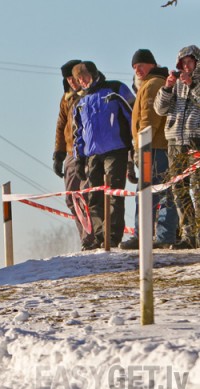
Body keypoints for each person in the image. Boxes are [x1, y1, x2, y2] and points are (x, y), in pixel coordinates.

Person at [72, 61, 135, 249]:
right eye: (79, 79)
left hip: (116, 149)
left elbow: (134, 116)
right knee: (94, 197)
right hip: (92, 155)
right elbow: (78, 133)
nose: (82, 81)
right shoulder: (79, 103)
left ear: (93, 73)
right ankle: (100, 237)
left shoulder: (115, 89)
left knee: (114, 192)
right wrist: (78, 159)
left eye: (85, 76)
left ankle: (112, 236)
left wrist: (135, 145)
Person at [119, 49, 178, 250]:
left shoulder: (153, 85)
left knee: (147, 192)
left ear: (151, 64)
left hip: (152, 148)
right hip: (155, 147)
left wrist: (141, 148)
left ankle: (145, 235)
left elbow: (148, 120)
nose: (137, 70)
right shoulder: (148, 84)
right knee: (161, 191)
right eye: (134, 67)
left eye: (140, 65)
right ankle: (163, 236)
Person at [154, 45, 200, 249]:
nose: (186, 66)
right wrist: (167, 88)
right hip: (174, 141)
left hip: (196, 140)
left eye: (190, 62)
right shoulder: (176, 83)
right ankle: (189, 235)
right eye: (183, 63)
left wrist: (193, 85)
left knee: (197, 189)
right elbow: (160, 109)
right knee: (178, 189)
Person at [53, 59, 95, 250]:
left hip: (90, 151)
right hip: (71, 152)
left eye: (73, 77)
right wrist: (58, 154)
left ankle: (94, 236)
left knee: (88, 195)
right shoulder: (66, 99)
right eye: (68, 79)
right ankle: (85, 237)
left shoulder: (90, 94)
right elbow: (61, 126)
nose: (71, 81)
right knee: (72, 197)